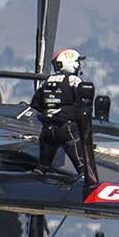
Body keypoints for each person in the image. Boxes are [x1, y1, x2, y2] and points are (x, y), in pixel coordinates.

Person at [30, 47, 99, 185]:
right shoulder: (74, 80)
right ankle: (88, 186)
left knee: (42, 166)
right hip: (67, 129)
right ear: (72, 63)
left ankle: (34, 184)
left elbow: (36, 104)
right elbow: (82, 105)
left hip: (47, 130)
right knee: (82, 166)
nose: (79, 65)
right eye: (77, 62)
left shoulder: (47, 81)